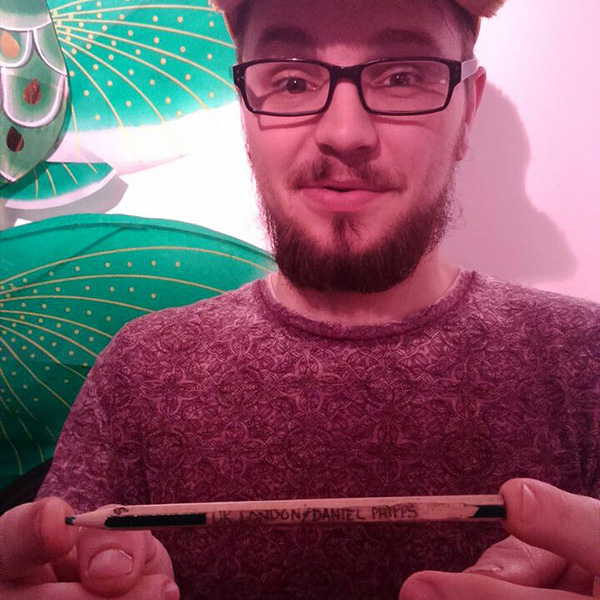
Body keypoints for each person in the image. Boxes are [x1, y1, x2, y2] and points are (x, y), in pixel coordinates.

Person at [1, 0, 598, 598]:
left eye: (401, 77)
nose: (345, 134)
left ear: (468, 110)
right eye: (291, 81)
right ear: (245, 110)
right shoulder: (141, 368)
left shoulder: (586, 359)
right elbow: (59, 561)